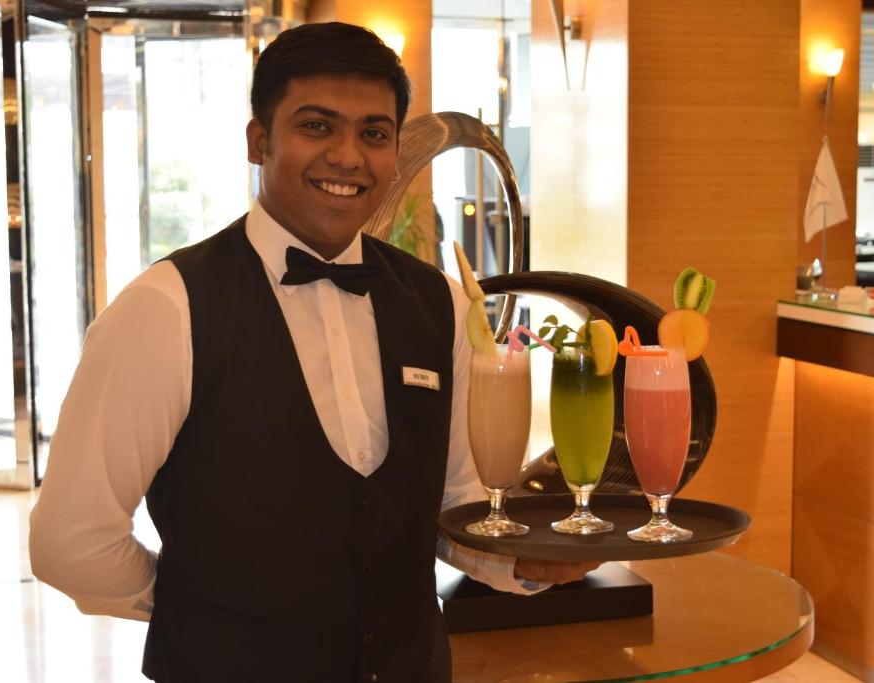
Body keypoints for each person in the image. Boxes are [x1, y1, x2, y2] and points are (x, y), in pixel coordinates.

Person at [29, 22, 597, 683]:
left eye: (374, 134)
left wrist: (520, 563)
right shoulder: (166, 308)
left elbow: (455, 497)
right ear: (259, 140)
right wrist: (200, 608)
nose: (348, 156)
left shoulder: (443, 303)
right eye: (317, 126)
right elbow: (72, 539)